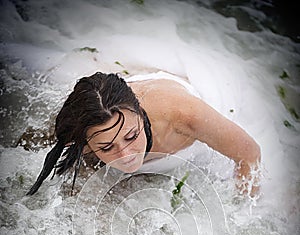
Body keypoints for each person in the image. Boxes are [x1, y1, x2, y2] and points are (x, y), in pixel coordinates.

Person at [27, 71, 261, 197]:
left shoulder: (185, 116)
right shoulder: (79, 136)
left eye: (131, 136)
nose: (126, 154)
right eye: (107, 147)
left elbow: (249, 154)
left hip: (165, 101)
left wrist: (240, 207)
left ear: (140, 114)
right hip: (106, 105)